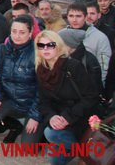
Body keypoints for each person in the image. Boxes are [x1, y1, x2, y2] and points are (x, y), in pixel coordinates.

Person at [35, 30, 99, 165]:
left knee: (51, 134)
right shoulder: (41, 70)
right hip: (59, 119)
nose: (45, 49)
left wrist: (67, 117)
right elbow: (43, 101)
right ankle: (81, 151)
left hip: (80, 117)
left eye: (50, 45)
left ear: (58, 46)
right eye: (41, 45)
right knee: (54, 159)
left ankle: (87, 153)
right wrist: (51, 117)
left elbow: (91, 96)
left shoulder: (73, 66)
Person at [0, 16, 44, 143]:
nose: (17, 36)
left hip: (30, 103)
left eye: (22, 32)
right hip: (9, 100)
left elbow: (42, 90)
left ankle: (41, 131)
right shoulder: (1, 50)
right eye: (14, 31)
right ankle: (15, 126)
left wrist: (35, 116)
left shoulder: (38, 53)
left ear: (30, 32)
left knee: (29, 147)